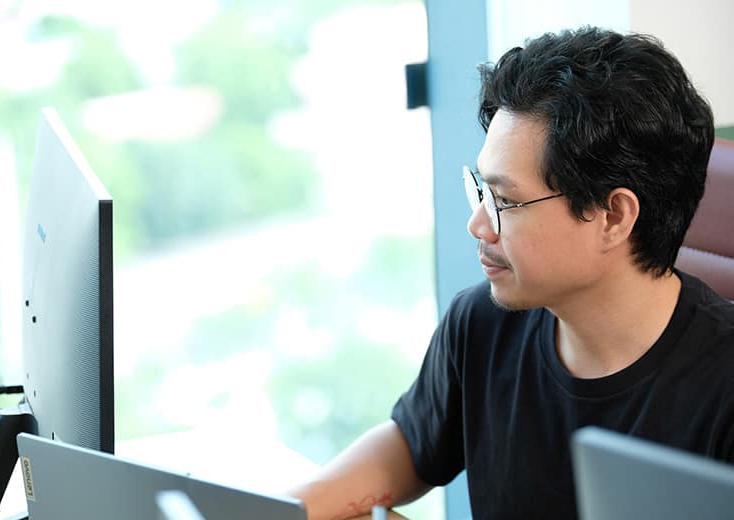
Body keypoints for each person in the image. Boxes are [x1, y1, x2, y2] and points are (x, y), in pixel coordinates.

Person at [288, 26, 734, 519]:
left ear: (612, 217)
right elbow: (411, 446)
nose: (478, 222)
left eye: (506, 201)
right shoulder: (482, 322)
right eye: (482, 191)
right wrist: (283, 511)